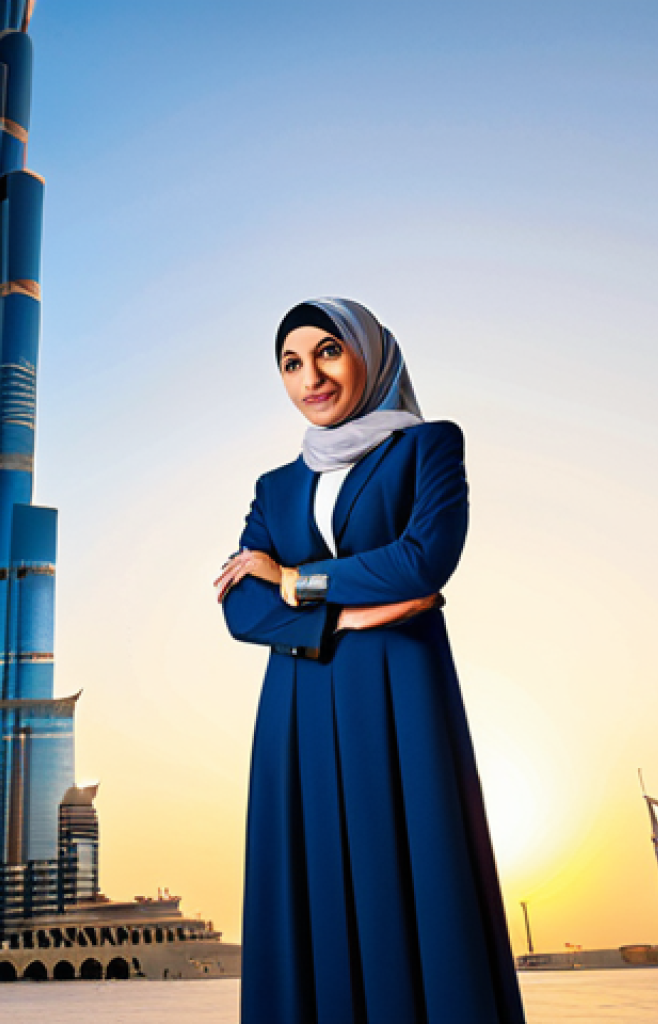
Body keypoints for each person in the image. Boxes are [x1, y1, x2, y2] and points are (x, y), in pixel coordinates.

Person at [215, 298, 525, 1024]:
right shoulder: (275, 487)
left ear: (371, 354)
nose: (311, 378)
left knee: (419, 864)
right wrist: (349, 614)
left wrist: (296, 581)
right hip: (297, 700)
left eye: (329, 351)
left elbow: (422, 562)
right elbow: (239, 606)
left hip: (399, 689)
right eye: (291, 363)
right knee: (311, 871)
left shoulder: (429, 447)